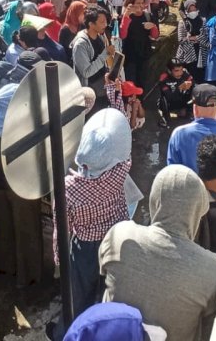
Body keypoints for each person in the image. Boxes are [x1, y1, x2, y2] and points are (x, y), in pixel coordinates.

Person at [99, 165, 216, 341]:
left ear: (154, 200)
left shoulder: (120, 235)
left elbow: (103, 271)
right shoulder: (211, 268)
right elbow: (209, 319)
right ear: (197, 211)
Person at [54, 108, 132, 319]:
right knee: (109, 288)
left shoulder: (68, 187)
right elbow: (124, 146)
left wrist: (58, 256)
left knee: (80, 296)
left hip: (85, 249)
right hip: (116, 240)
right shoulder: (119, 172)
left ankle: (76, 328)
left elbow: (62, 226)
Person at [0, 84, 43, 286]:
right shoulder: (30, 130)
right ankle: (29, 276)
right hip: (23, 189)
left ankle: (5, 267)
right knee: (27, 231)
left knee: (4, 226)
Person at [72, 6, 114, 104]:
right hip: (91, 93)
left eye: (106, 21)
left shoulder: (100, 36)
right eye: (102, 22)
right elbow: (86, 72)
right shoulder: (81, 44)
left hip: (103, 87)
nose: (105, 24)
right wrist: (106, 54)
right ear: (91, 24)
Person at [120, 0, 159, 88]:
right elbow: (122, 35)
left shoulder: (147, 16)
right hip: (129, 55)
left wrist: (152, 27)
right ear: (131, 3)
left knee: (142, 82)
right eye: (137, 3)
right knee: (130, 83)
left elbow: (155, 36)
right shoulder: (125, 16)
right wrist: (126, 16)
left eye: (142, 3)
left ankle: (140, 101)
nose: (140, 6)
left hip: (144, 54)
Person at [157, 59, 194, 128]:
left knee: (196, 91)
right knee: (162, 100)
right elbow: (168, 96)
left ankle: (192, 114)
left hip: (184, 100)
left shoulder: (185, 74)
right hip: (170, 102)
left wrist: (191, 85)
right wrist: (179, 88)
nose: (180, 73)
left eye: (181, 70)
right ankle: (165, 120)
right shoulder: (164, 77)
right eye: (176, 71)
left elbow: (193, 83)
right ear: (169, 71)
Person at [60, 0, 87, 65]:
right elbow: (64, 50)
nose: (85, 16)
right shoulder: (65, 30)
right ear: (76, 13)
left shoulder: (82, 26)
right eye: (83, 13)